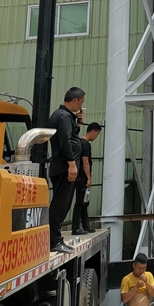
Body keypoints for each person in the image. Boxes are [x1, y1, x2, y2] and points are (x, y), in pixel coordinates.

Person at [47, 87, 85, 252]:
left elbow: (71, 137)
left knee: (63, 204)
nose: (81, 106)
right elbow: (65, 142)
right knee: (60, 205)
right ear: (74, 100)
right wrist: (72, 163)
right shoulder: (63, 116)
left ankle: (55, 238)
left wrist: (78, 123)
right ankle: (53, 241)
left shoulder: (63, 116)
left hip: (63, 167)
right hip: (64, 168)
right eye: (81, 102)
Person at [72, 121, 103, 234]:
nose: (96, 137)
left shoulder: (79, 142)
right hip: (82, 177)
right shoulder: (85, 144)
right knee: (81, 202)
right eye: (97, 134)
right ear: (93, 132)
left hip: (79, 176)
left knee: (84, 202)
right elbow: (85, 162)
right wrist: (89, 178)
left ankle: (86, 226)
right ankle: (75, 227)